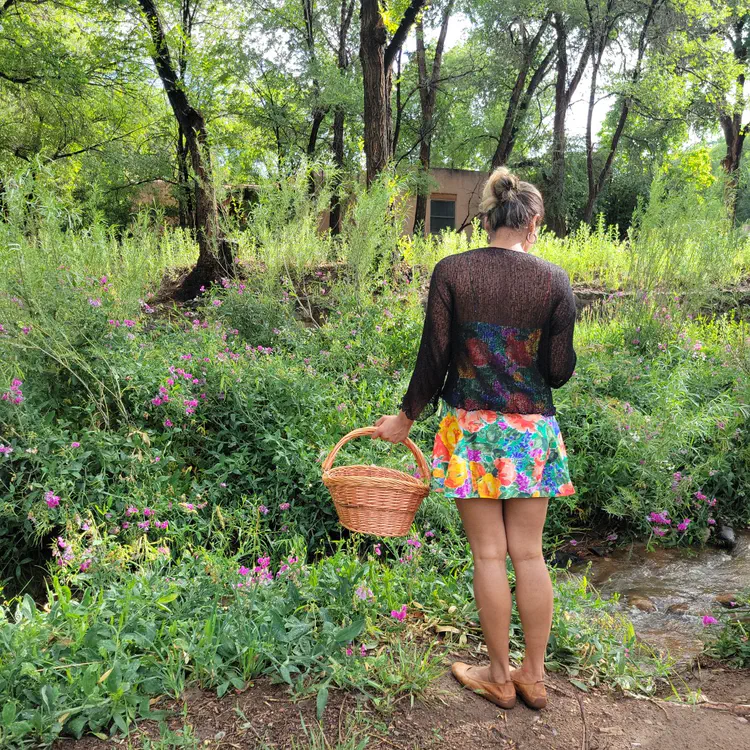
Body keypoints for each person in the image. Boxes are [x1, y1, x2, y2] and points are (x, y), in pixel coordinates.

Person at [372, 167, 577, 710]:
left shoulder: (452, 273)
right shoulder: (556, 282)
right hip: (531, 433)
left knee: (489, 556)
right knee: (528, 555)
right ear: (532, 221)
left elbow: (434, 358)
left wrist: (405, 418)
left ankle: (499, 676)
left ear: (486, 219)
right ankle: (533, 675)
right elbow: (558, 372)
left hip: (473, 434)